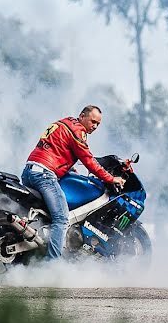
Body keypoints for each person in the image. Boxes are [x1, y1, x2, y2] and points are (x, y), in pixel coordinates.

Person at [22, 105, 126, 260]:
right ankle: (52, 265)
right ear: (82, 116)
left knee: (47, 216)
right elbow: (89, 161)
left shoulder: (64, 123)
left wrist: (71, 171)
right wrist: (111, 178)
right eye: (93, 121)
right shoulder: (78, 131)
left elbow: (58, 151)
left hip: (30, 171)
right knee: (62, 219)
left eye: (98, 124)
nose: (95, 126)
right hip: (44, 175)